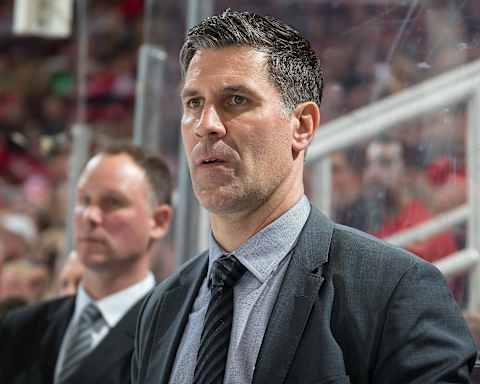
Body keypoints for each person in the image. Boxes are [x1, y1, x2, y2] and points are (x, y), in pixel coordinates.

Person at [131, 10, 476, 384]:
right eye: (194, 103)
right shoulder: (160, 308)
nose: (206, 125)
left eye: (236, 100)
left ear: (302, 126)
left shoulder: (396, 289)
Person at [0, 143, 173, 384]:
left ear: (159, 220)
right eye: (84, 200)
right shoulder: (20, 328)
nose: (90, 215)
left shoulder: (172, 336)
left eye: (113, 202)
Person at [363, 135, 458, 263]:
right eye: (368, 164)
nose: (372, 174)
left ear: (409, 175)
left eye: (385, 163)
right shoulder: (376, 221)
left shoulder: (424, 233)